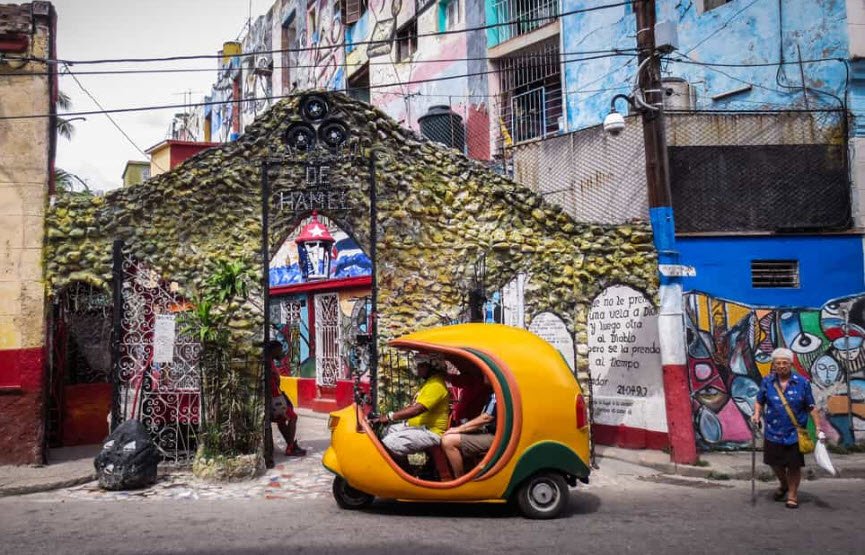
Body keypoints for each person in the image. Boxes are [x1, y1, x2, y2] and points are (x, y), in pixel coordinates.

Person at [751, 347, 824, 509]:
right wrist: (756, 414)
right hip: (773, 432)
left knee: (793, 465)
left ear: (791, 364)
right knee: (774, 463)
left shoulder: (802, 383)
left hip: (795, 433)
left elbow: (811, 407)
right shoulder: (767, 381)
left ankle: (792, 494)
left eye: (785, 363)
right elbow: (759, 400)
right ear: (774, 365)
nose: (782, 366)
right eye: (778, 363)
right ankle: (783, 483)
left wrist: (818, 427)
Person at [370, 354, 450, 459]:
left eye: (421, 366)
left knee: (390, 442)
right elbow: (413, 406)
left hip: (431, 432)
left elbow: (416, 410)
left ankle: (394, 469)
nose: (417, 369)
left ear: (432, 367)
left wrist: (389, 417)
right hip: (422, 428)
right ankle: (403, 468)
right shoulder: (429, 383)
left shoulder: (436, 385)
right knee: (388, 431)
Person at [441, 389, 496, 477]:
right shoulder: (491, 393)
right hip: (489, 431)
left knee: (448, 441)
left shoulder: (496, 393)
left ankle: (460, 480)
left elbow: (487, 417)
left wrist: (458, 429)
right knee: (449, 435)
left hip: (496, 436)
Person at [266, 340, 306, 457]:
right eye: (279, 350)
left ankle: (291, 446)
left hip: (276, 395)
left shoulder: (271, 362)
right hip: (275, 397)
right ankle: (290, 447)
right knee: (293, 417)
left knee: (281, 420)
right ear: (273, 350)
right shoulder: (268, 363)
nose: (281, 353)